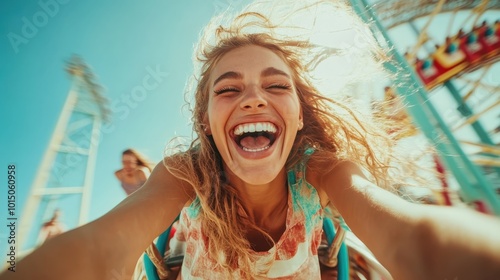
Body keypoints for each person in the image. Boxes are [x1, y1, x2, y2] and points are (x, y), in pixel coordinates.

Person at [2, 1, 500, 279]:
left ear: (300, 115)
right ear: (207, 122)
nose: (254, 99)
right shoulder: (185, 172)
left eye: (277, 85)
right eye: (229, 88)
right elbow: (96, 250)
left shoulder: (321, 171)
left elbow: (413, 238)